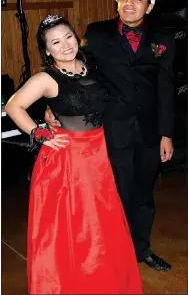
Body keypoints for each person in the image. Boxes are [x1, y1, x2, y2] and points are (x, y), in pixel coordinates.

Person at [45, 0, 175, 272]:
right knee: (113, 195)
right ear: (116, 0)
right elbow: (74, 72)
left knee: (143, 194)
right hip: (109, 129)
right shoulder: (97, 33)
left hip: (149, 131)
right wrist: (53, 106)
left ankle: (141, 249)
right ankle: (114, 252)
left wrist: (166, 133)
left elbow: (167, 87)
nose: (129, 3)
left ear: (150, 5)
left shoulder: (164, 38)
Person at [5, 15, 142, 294]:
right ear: (47, 50)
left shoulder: (92, 65)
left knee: (104, 224)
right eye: (55, 42)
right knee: (76, 227)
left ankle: (106, 280)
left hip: (102, 151)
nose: (64, 45)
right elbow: (14, 106)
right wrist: (40, 133)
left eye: (68, 36)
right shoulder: (45, 78)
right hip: (69, 160)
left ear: (76, 37)